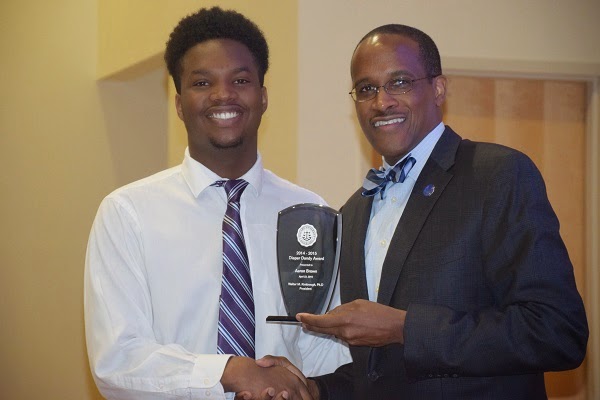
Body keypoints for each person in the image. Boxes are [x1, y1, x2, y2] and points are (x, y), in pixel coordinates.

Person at [262, 24, 589, 399]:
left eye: (399, 82)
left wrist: (405, 328)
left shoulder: (497, 175)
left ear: (438, 89)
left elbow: (557, 331)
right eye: (366, 89)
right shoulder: (351, 213)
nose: (381, 102)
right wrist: (314, 389)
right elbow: (378, 371)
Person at [84, 7, 349, 400]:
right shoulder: (127, 213)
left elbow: (326, 345)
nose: (223, 94)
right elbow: (117, 361)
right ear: (179, 103)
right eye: (202, 82)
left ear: (263, 97)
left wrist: (302, 387)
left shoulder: (311, 213)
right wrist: (228, 371)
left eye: (240, 80)